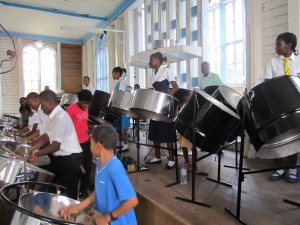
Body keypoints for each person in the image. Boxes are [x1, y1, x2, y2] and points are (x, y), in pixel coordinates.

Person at [61, 124, 138, 225]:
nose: (90, 145)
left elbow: (132, 201)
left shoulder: (114, 168)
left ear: (98, 145)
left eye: (91, 142)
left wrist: (107, 217)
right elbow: (98, 191)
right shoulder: (99, 162)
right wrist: (78, 207)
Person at [25, 90, 83, 199]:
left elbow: (56, 145)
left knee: (68, 192)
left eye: (42, 105)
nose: (41, 108)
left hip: (70, 158)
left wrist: (36, 154)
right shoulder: (52, 116)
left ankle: (70, 213)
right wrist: (29, 149)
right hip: (61, 158)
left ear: (50, 103)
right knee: (52, 186)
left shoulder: (60, 117)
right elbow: (46, 137)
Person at [260, 32, 300, 183]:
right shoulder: (273, 62)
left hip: (294, 106)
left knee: (293, 139)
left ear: (288, 45)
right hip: (276, 106)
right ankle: (279, 169)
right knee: (277, 139)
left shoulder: (299, 62)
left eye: (279, 44)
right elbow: (266, 84)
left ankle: (293, 169)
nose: (276, 47)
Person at [146, 52, 179, 169]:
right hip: (155, 106)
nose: (150, 62)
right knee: (155, 132)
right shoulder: (152, 75)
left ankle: (171, 160)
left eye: (151, 60)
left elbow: (176, 87)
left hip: (165, 106)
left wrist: (168, 95)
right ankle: (157, 157)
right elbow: (150, 91)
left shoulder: (166, 71)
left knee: (167, 132)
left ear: (157, 60)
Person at [66, 89, 93, 199]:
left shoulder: (86, 108)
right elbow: (66, 127)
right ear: (79, 100)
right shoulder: (70, 109)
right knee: (77, 169)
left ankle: (83, 190)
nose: (86, 106)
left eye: (88, 104)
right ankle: (73, 193)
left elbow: (84, 122)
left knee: (87, 167)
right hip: (75, 143)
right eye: (84, 103)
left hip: (86, 141)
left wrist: (89, 129)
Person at [112, 67, 130, 152]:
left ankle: (125, 145)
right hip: (120, 107)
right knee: (121, 127)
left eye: (114, 73)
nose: (112, 75)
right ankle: (123, 144)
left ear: (118, 73)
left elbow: (120, 93)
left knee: (123, 128)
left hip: (123, 107)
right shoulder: (119, 82)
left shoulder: (122, 81)